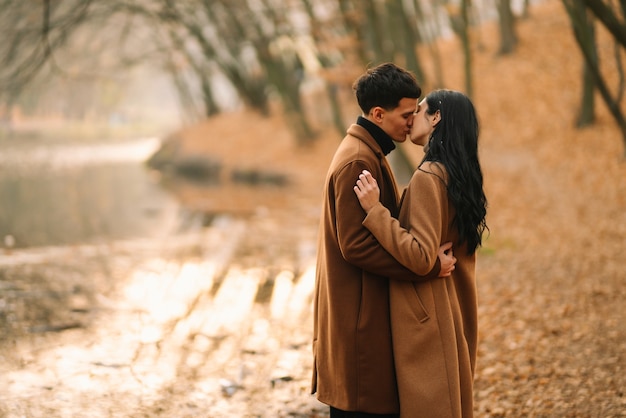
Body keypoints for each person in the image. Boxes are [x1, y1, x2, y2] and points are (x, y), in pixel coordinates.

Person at [311, 63, 457, 418]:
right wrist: (426, 267)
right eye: (407, 114)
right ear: (378, 113)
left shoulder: (368, 152)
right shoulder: (358, 160)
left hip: (362, 314)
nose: (413, 121)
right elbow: (356, 246)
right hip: (360, 322)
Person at [353, 89, 488, 418]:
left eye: (420, 111)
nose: (411, 119)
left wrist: (376, 212)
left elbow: (420, 255)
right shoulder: (458, 175)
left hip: (430, 313)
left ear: (436, 117)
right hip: (453, 306)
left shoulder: (430, 177)